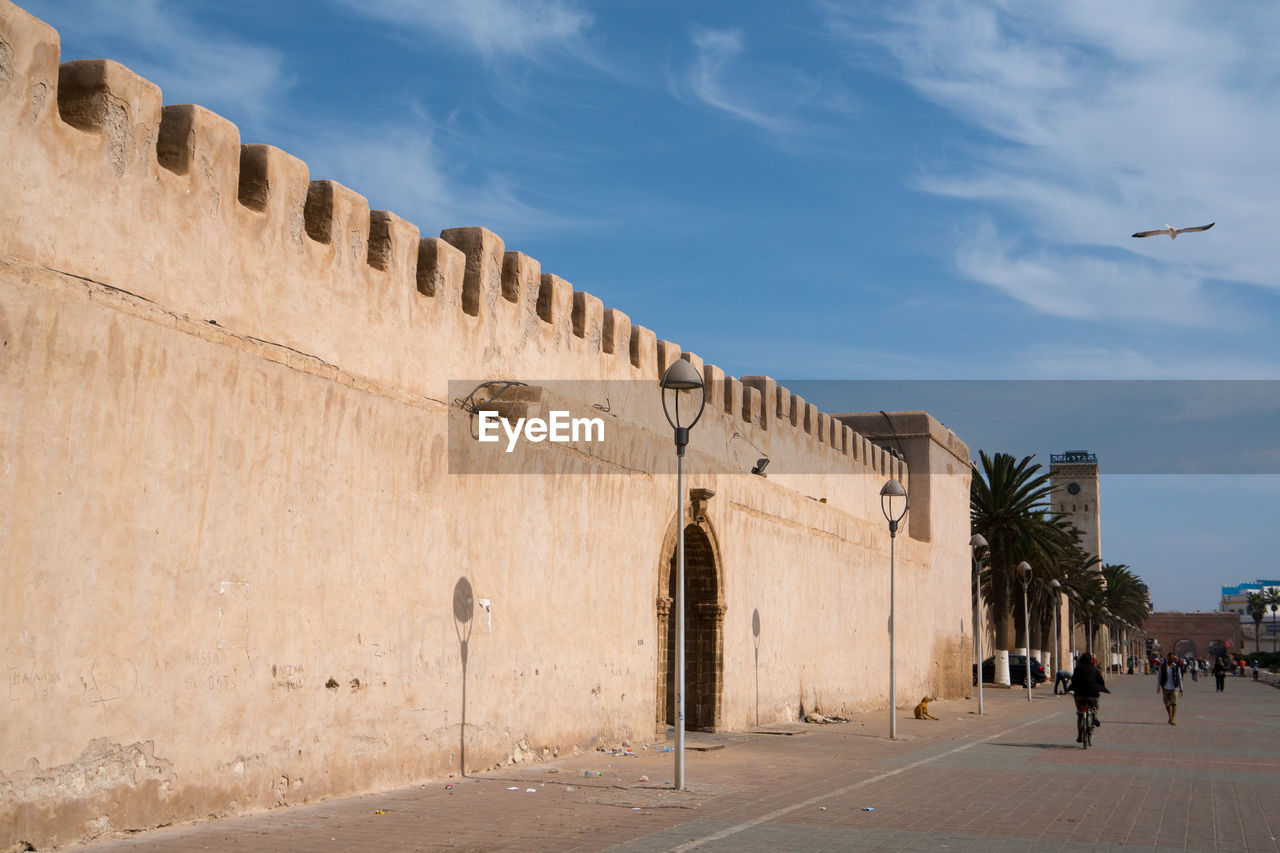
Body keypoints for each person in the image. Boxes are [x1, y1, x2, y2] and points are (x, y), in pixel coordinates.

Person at [1070, 653, 1109, 742]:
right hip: (1093, 695)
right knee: (1095, 707)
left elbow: (1073, 680)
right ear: (1091, 660)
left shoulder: (1078, 668)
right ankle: (1094, 716)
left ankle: (1080, 736)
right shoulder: (1095, 669)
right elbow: (1101, 682)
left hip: (1080, 695)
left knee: (1080, 714)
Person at [1157, 652, 1184, 725]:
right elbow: (1159, 677)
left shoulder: (1176, 667)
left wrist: (1181, 689)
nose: (1171, 659)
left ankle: (1172, 719)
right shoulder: (1162, 666)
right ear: (1167, 658)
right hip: (1165, 687)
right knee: (1167, 704)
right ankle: (1170, 716)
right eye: (1170, 658)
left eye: (1172, 658)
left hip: (1174, 687)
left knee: (1174, 703)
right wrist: (1158, 687)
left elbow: (1180, 678)